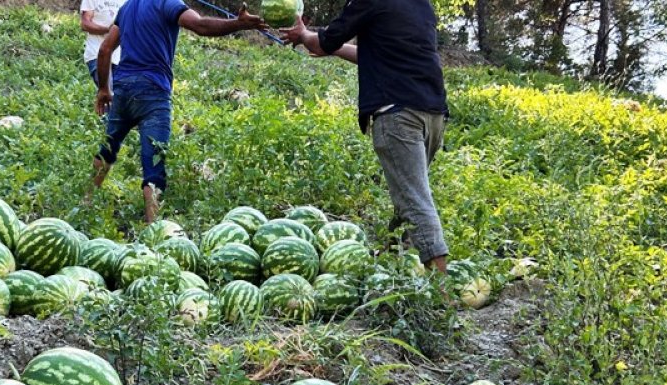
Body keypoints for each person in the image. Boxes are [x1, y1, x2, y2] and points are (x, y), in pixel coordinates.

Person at [282, 1, 450, 273]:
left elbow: (321, 43)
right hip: (433, 114)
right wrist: (329, 48)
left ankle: (442, 288)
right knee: (407, 193)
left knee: (414, 199)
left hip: (398, 113)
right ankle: (393, 259)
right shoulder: (421, 6)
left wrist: (304, 36)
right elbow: (376, 52)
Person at [89, 0, 266, 222]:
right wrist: (239, 24)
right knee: (154, 161)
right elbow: (200, 25)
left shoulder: (128, 7)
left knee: (108, 147)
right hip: (153, 92)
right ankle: (154, 229)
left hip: (124, 88)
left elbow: (105, 49)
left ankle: (86, 204)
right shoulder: (167, 2)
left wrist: (104, 89)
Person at [81, 0, 126, 88]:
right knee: (110, 91)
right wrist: (110, 30)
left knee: (117, 96)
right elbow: (85, 24)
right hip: (96, 54)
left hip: (120, 58)